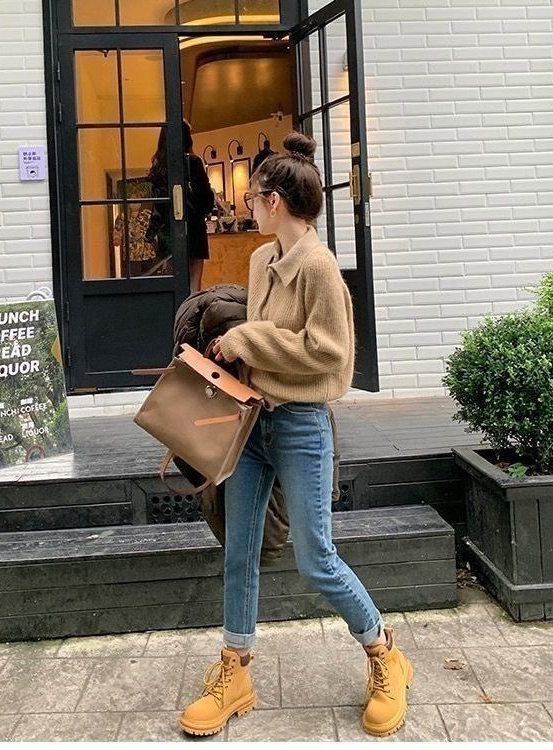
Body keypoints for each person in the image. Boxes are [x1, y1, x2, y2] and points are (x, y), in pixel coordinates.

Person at [178, 132, 414, 738]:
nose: (250, 208)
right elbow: (265, 344)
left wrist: (247, 339)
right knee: (239, 549)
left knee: (316, 559)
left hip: (302, 427)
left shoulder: (319, 266)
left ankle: (384, 650)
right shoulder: (261, 261)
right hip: (253, 422)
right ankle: (236, 670)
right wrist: (232, 352)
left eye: (254, 198)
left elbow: (332, 355)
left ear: (275, 201)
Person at [147, 120, 215, 291]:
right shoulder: (193, 162)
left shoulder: (157, 167)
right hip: (193, 228)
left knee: (171, 284)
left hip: (168, 231)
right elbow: (206, 201)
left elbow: (158, 205)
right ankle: (190, 309)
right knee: (194, 284)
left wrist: (152, 232)